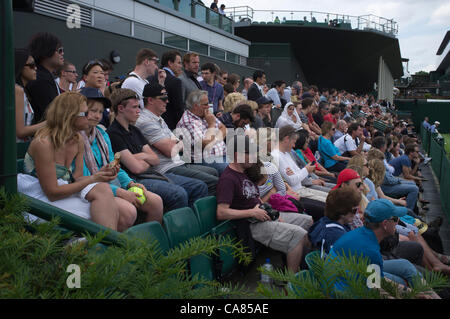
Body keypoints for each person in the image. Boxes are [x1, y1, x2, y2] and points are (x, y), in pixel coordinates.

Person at [17, 92, 123, 230]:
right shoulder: (44, 144)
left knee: (107, 196)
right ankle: (106, 247)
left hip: (60, 193)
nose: (91, 117)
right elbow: (52, 193)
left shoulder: (77, 140)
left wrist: (100, 175)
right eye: (85, 113)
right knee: (106, 212)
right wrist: (93, 179)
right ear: (70, 116)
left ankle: (96, 246)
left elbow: (77, 179)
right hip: (36, 199)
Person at [216, 134, 314, 273]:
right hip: (252, 223)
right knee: (298, 236)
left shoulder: (244, 172)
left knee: (308, 221)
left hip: (265, 214)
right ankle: (291, 283)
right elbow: (221, 212)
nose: (254, 156)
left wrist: (271, 212)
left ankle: (302, 269)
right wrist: (252, 212)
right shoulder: (228, 179)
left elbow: (256, 198)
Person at [106, 88, 208, 211]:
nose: (139, 111)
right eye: (134, 107)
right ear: (121, 108)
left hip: (152, 173)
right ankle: (175, 228)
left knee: (199, 186)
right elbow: (136, 169)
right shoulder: (113, 133)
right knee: (178, 194)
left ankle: (194, 225)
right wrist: (145, 158)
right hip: (135, 180)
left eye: (139, 107)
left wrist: (141, 157)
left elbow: (155, 160)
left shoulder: (135, 130)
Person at [80, 87, 164, 226]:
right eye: (93, 111)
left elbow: (115, 165)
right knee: (128, 211)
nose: (97, 116)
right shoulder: (75, 139)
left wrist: (130, 183)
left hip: (112, 184)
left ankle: (148, 245)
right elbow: (85, 179)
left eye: (100, 112)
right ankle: (119, 247)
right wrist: (120, 192)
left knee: (156, 201)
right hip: (92, 190)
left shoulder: (102, 135)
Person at [328, 199, 440, 298]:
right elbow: (376, 290)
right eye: (395, 219)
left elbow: (373, 278)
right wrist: (409, 293)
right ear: (385, 224)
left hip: (352, 276)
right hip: (344, 290)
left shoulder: (362, 234)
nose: (398, 222)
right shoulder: (370, 250)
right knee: (403, 282)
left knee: (404, 265)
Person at [135, 83, 219, 195]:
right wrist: (212, 125)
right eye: (164, 98)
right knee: (213, 181)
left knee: (213, 171)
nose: (167, 101)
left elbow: (180, 144)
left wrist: (176, 143)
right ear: (150, 100)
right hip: (166, 168)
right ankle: (200, 211)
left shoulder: (158, 118)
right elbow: (171, 150)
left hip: (178, 162)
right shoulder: (146, 121)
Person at [176, 90, 228, 175]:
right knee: (231, 171)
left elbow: (224, 128)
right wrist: (211, 125)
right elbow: (205, 144)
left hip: (222, 155)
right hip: (204, 160)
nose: (209, 107)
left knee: (246, 165)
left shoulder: (206, 115)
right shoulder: (188, 121)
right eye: (206, 104)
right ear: (196, 106)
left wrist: (214, 140)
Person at [308, 187, 362, 257]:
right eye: (354, 210)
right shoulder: (334, 235)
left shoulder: (324, 222)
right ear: (342, 211)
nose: (356, 214)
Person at [26, 32, 64, 124]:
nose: (62, 53)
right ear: (46, 51)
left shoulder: (46, 76)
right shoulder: (40, 79)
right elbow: (51, 115)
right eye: (59, 50)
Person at [14, 48, 46, 142]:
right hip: (15, 148)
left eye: (35, 65)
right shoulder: (17, 90)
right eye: (31, 65)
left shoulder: (22, 91)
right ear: (19, 66)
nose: (35, 68)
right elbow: (20, 131)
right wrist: (50, 123)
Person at [151, 50, 184, 130]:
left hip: (150, 122)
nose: (181, 66)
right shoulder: (175, 81)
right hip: (169, 126)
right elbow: (178, 108)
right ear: (170, 63)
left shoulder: (151, 77)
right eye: (179, 63)